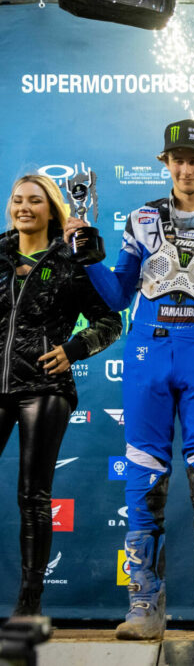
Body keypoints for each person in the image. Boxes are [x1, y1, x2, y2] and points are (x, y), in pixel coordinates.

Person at [64, 119, 194, 640]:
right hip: (147, 347)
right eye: (177, 159)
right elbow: (117, 297)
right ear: (166, 162)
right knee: (144, 468)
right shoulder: (141, 219)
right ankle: (144, 606)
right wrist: (87, 254)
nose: (186, 168)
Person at [1, 174, 121, 617]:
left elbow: (111, 321)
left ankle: (28, 605)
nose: (24, 208)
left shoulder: (70, 259)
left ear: (52, 209)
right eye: (17, 201)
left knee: (33, 495)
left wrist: (72, 350)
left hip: (45, 388)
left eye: (35, 201)